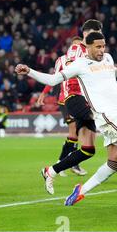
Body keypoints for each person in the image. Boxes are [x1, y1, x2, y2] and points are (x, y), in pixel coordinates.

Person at [15, 32, 117, 205]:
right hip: (106, 116)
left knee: (114, 164)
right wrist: (29, 71)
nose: (102, 50)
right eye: (98, 47)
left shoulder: (108, 59)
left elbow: (108, 77)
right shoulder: (80, 64)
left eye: (103, 46)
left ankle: (80, 191)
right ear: (87, 46)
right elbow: (53, 79)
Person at [36, 19, 103, 195]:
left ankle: (52, 170)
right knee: (102, 118)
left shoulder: (96, 53)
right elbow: (55, 77)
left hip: (85, 99)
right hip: (72, 98)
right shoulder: (74, 52)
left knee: (88, 149)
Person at [37, 36, 87, 177]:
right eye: (75, 45)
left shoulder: (84, 60)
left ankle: (64, 163)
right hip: (65, 100)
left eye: (79, 46)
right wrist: (44, 93)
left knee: (77, 132)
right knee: (74, 131)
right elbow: (53, 78)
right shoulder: (61, 60)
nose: (77, 49)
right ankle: (66, 164)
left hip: (79, 99)